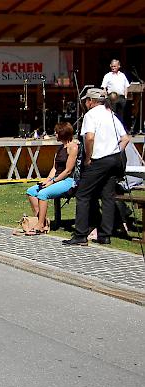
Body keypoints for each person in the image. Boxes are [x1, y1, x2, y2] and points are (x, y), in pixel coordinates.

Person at [63, 88, 130, 246]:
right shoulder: (111, 114)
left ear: (91, 101)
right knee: (107, 196)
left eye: (86, 100)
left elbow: (90, 137)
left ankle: (80, 234)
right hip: (114, 159)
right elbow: (126, 138)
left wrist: (88, 157)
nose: (85, 103)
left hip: (98, 159)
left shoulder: (90, 115)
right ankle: (105, 235)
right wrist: (115, 152)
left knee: (83, 195)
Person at [25, 122, 79, 234]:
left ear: (62, 133)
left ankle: (40, 225)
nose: (55, 134)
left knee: (43, 194)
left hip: (68, 180)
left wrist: (53, 182)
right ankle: (42, 220)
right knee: (31, 191)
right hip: (56, 178)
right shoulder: (59, 148)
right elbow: (54, 168)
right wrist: (47, 180)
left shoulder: (73, 147)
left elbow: (68, 170)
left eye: (57, 132)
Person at [101, 59, 130, 126]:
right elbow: (104, 87)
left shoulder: (122, 75)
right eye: (112, 66)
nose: (113, 68)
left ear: (119, 66)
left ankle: (121, 129)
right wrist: (106, 97)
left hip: (121, 97)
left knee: (121, 115)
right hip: (112, 98)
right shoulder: (108, 75)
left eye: (115, 66)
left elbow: (126, 86)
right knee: (112, 115)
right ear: (110, 66)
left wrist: (125, 97)